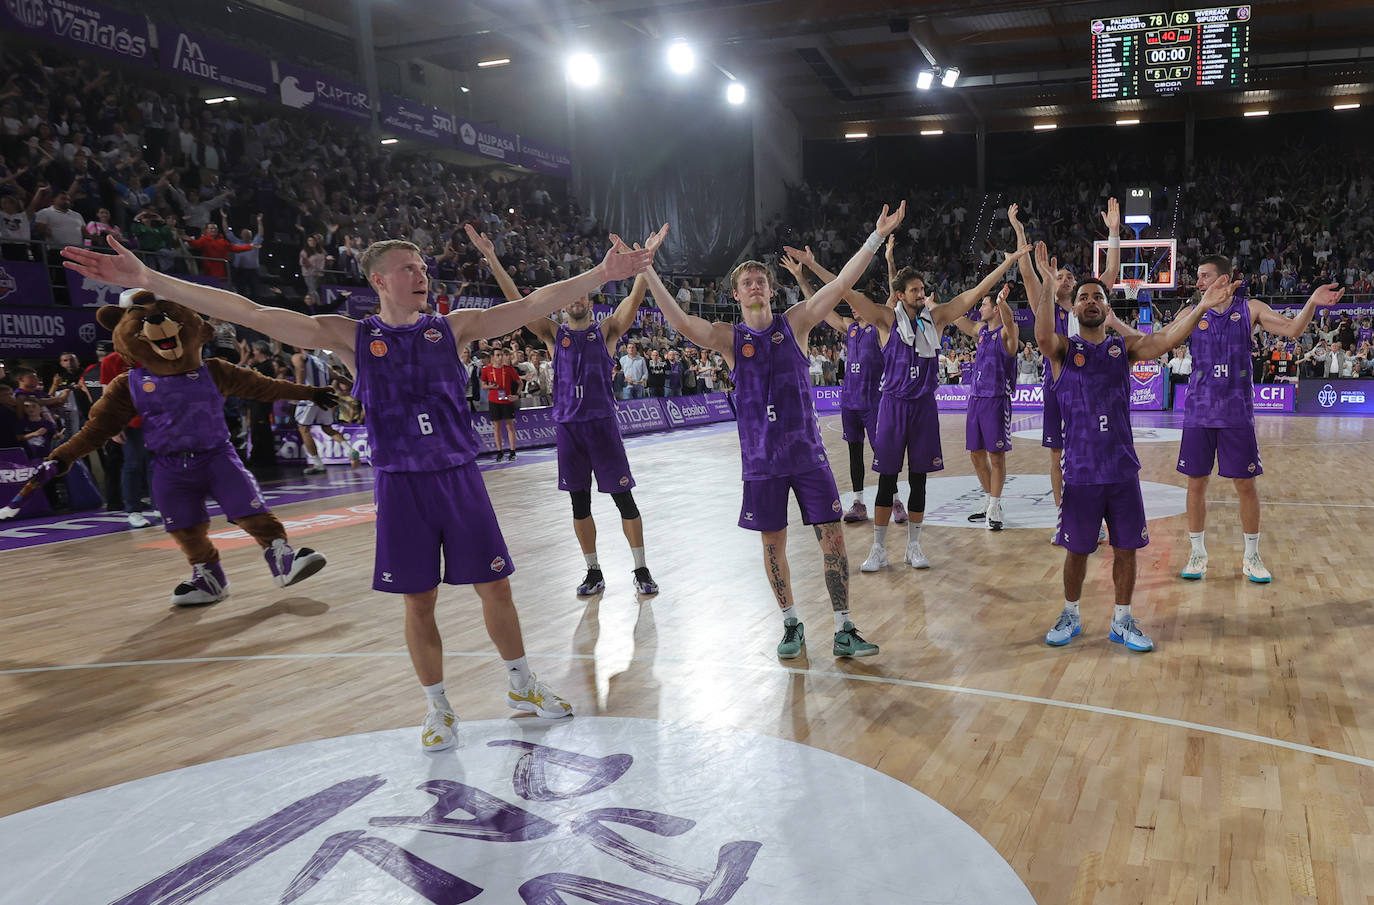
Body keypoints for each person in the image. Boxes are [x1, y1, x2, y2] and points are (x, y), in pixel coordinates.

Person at [63, 230, 656, 751]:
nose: (422, 274)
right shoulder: (347, 336)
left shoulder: (457, 328)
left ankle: (522, 682)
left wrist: (603, 274)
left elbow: (533, 303)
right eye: (409, 268)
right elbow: (248, 312)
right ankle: (438, 708)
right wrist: (148, 278)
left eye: (424, 267)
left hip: (458, 477)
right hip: (400, 485)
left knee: (495, 587)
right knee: (417, 601)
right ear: (378, 280)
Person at [643, 203, 909, 659]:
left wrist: (876, 237)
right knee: (773, 545)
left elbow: (842, 284)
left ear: (771, 289)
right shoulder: (729, 339)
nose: (755, 286)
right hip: (762, 463)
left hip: (808, 456)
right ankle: (791, 624)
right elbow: (682, 323)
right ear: (736, 294)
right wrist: (648, 271)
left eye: (761, 281)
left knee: (833, 540)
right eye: (746, 282)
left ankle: (844, 627)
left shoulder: (798, 322)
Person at [800, 240, 1032, 572]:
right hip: (892, 406)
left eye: (922, 288)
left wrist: (1006, 263)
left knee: (919, 479)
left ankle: (914, 545)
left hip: (923, 406)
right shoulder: (883, 319)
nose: (921, 293)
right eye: (914, 290)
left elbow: (974, 292)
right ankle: (879, 548)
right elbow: (844, 289)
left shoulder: (935, 318)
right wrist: (812, 265)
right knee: (886, 480)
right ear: (900, 294)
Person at [1034, 243, 1213, 653]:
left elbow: (1166, 338)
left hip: (1121, 470)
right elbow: (1043, 335)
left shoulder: (1122, 349)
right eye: (1084, 297)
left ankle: (1123, 619)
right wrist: (1048, 283)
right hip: (1080, 473)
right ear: (1075, 309)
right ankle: (1071, 613)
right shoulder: (1064, 350)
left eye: (1098, 296)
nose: (1091, 301)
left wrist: (1201, 307)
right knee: (1076, 552)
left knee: (1127, 549)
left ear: (1108, 307)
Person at [468, 226, 664, 597]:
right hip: (569, 430)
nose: (575, 299)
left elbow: (634, 303)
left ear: (588, 300)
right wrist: (492, 258)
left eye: (581, 294)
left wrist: (645, 262)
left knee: (625, 500)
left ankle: (640, 568)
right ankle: (593, 571)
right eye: (569, 295)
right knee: (580, 504)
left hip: (602, 427)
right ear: (560, 304)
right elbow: (518, 304)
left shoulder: (606, 332)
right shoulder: (552, 334)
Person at [1175, 255, 1345, 583]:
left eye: (1204, 276)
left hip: (1237, 413)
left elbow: (1293, 330)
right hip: (1198, 412)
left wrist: (1311, 301)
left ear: (1223, 279)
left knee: (1245, 485)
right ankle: (1197, 552)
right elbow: (1162, 341)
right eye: (1197, 277)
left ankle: (1251, 555)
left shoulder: (1250, 308)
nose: (1198, 283)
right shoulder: (1192, 312)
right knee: (1196, 483)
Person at [1012, 201, 1123, 537]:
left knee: (1095, 448)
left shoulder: (1084, 307)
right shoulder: (1044, 304)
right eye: (1059, 275)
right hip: (1058, 389)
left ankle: (1100, 517)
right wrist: (1018, 229)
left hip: (1092, 389)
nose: (1065, 278)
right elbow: (1027, 272)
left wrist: (1114, 233)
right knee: (1058, 455)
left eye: (1069, 275)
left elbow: (1111, 274)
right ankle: (1065, 517)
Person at [779, 239, 906, 525]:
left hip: (875, 401)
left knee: (883, 453)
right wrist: (801, 278)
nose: (851, 306)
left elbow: (894, 299)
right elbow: (819, 308)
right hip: (849, 402)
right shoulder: (848, 328)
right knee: (854, 454)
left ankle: (895, 500)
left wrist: (888, 260)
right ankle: (859, 502)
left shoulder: (879, 326)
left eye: (854, 302)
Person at [950, 284, 1020, 529]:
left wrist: (1002, 302)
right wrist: (932, 306)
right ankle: (991, 500)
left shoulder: (1006, 333)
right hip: (976, 399)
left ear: (995, 309)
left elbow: (1010, 322)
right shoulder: (981, 332)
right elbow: (958, 320)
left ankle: (995, 506)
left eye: (984, 304)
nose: (980, 308)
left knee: (997, 457)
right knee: (976, 455)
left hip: (996, 399)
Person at [292, 346, 361, 474]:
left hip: (309, 398)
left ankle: (318, 464)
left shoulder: (298, 357)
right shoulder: (322, 362)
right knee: (327, 428)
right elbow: (340, 377)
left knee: (304, 430)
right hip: (325, 398)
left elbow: (300, 369)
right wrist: (358, 386)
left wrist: (299, 391)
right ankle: (349, 450)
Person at [481, 348, 520, 460]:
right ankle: (499, 451)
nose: (500, 357)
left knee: (510, 426)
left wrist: (516, 395)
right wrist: (490, 387)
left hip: (507, 400)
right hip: (494, 401)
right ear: (492, 357)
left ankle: (512, 452)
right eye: (497, 355)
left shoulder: (509, 369)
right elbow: (483, 385)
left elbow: (520, 383)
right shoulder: (486, 370)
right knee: (496, 427)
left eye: (501, 355)